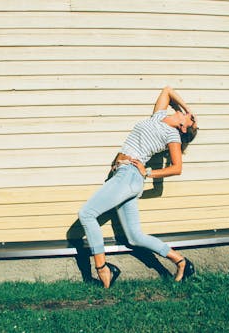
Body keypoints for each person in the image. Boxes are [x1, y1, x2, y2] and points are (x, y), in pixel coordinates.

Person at [78, 86, 198, 288]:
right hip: (124, 175)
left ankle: (103, 269)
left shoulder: (173, 136)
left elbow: (177, 168)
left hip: (130, 175)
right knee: (134, 237)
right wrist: (188, 109)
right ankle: (181, 262)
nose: (187, 115)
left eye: (191, 119)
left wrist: (148, 172)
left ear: (184, 128)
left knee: (87, 214)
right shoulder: (157, 117)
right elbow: (167, 91)